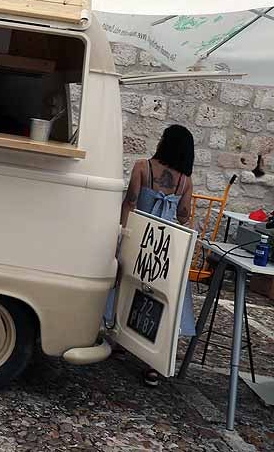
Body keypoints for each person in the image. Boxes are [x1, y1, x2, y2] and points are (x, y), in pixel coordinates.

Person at [112, 124, 196, 387]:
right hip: (167, 243)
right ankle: (153, 363)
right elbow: (184, 215)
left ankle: (122, 339)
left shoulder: (142, 167)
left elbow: (130, 202)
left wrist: (122, 235)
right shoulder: (185, 180)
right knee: (160, 295)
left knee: (129, 283)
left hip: (140, 235)